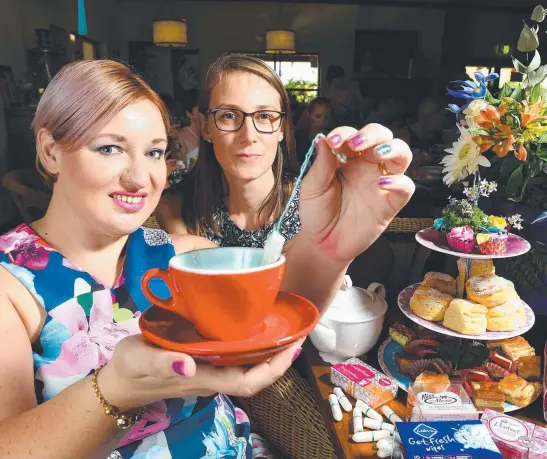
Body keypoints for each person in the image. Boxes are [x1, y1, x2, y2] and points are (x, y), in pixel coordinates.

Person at [0, 60, 414, 458]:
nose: (140, 178)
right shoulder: (10, 284)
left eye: (154, 152)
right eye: (110, 148)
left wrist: (328, 249)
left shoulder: (182, 254)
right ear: (50, 150)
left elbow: (272, 315)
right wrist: (116, 389)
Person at [294, 97, 333, 165]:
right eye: (318, 116)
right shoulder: (298, 137)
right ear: (309, 115)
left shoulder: (332, 137)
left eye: (326, 117)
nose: (322, 121)